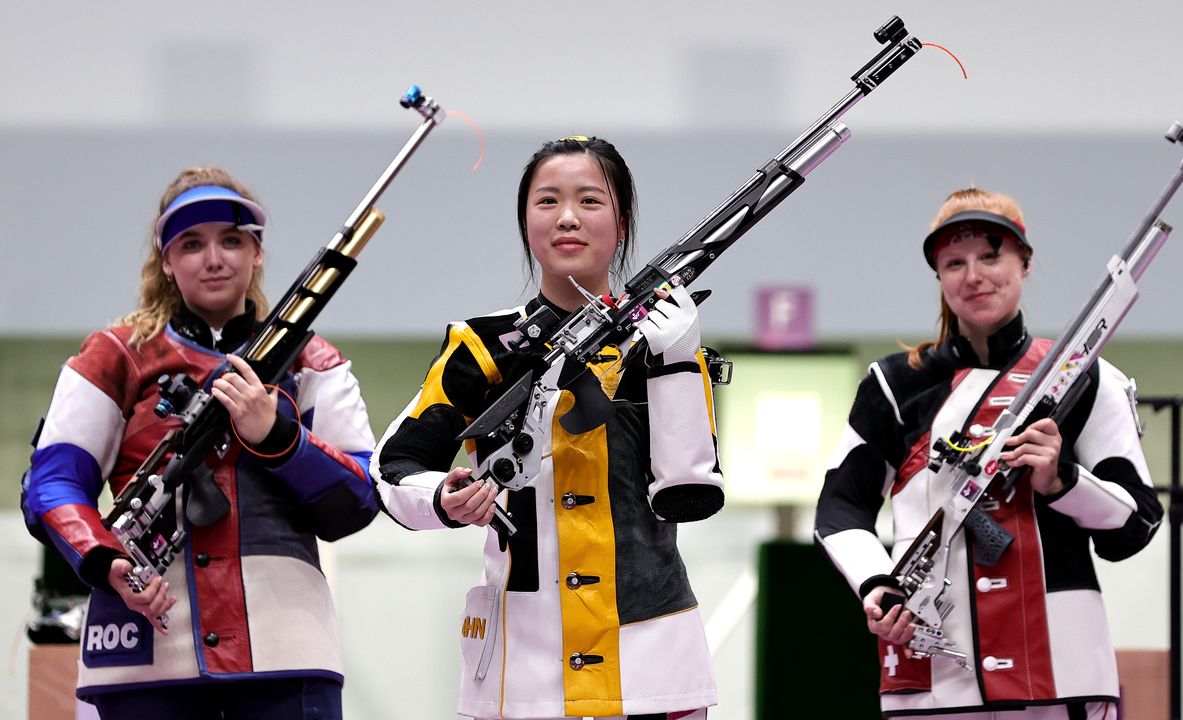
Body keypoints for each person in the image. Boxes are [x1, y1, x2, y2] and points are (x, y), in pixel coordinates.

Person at [372, 136, 723, 720]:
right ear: (524, 222)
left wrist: (679, 360)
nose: (567, 218)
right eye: (546, 201)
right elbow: (391, 469)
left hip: (652, 667)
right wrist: (442, 495)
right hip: (521, 667)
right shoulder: (483, 347)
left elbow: (688, 492)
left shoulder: (665, 340)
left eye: (590, 200)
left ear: (622, 220)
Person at [21, 167, 379, 719]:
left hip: (283, 648)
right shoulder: (114, 354)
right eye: (191, 243)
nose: (214, 258)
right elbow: (52, 481)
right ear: (166, 261)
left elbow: (358, 497)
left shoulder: (313, 360)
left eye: (232, 240)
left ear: (257, 253)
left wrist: (280, 438)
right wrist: (103, 558)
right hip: (144, 642)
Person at [815, 187, 1164, 719]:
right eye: (954, 262)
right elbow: (840, 509)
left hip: (1060, 674)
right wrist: (875, 582)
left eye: (990, 255)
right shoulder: (892, 384)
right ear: (939, 277)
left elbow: (1135, 525)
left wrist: (1062, 481)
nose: (973, 275)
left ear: (1024, 262)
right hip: (930, 670)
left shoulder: (1083, 373)